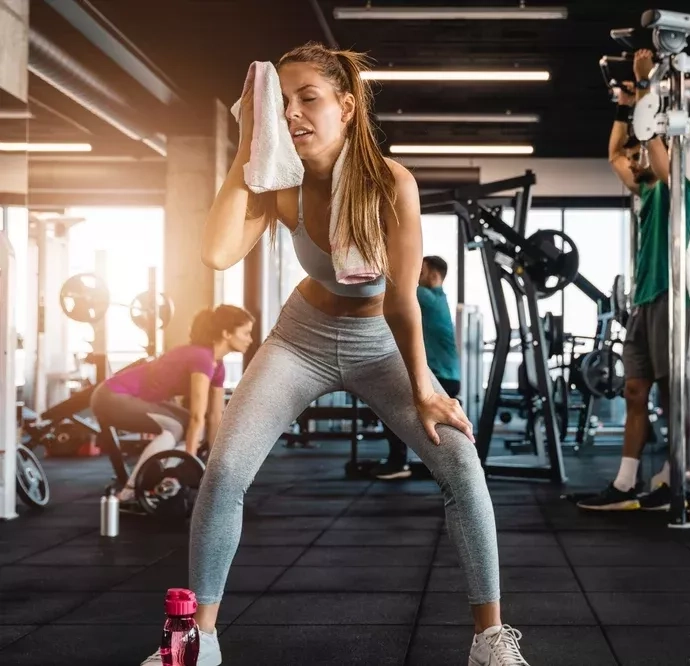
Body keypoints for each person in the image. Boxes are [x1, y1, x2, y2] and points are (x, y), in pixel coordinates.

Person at [139, 43, 530, 666]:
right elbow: (215, 253)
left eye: (308, 99)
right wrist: (248, 146)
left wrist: (425, 385)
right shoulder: (281, 184)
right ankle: (197, 642)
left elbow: (403, 301)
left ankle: (489, 640)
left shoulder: (390, 183)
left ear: (346, 107)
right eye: (281, 102)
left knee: (461, 465)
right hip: (302, 338)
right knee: (225, 471)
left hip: (381, 345)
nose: (293, 113)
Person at [578, 49, 690, 512]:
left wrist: (647, 86)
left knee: (670, 396)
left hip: (669, 297)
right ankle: (626, 483)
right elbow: (613, 154)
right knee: (634, 391)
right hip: (644, 303)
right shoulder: (645, 191)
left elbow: (654, 151)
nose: (635, 154)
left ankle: (673, 478)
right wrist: (625, 106)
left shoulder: (677, 188)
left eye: (643, 147)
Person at [90, 305, 254, 502]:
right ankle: (131, 492)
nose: (250, 339)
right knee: (177, 426)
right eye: (246, 333)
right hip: (112, 396)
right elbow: (197, 416)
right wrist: (190, 463)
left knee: (187, 427)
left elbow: (215, 417)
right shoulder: (201, 357)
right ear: (227, 333)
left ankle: (163, 479)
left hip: (134, 399)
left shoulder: (218, 367)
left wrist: (213, 463)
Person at [374, 255, 462, 480]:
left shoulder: (427, 298)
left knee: (392, 407)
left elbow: (395, 286)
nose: (415, 275)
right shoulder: (436, 299)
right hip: (445, 374)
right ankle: (410, 462)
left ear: (434, 276)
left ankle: (398, 462)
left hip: (442, 375)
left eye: (420, 272)